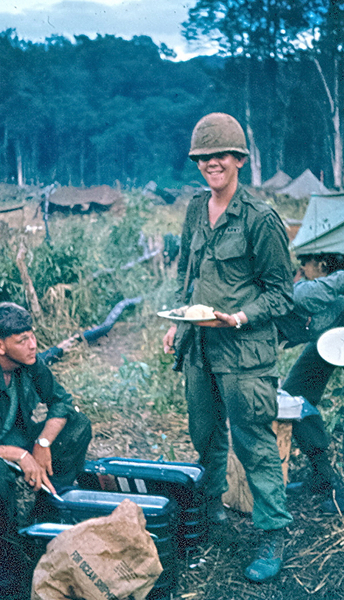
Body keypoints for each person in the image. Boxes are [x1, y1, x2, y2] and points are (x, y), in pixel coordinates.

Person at [162, 113, 294, 583]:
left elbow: (282, 293)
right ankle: (212, 513)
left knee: (253, 443)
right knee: (206, 437)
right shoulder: (197, 209)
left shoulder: (261, 220)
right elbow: (188, 272)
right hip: (200, 347)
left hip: (245, 354)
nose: (209, 165)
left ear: (239, 159)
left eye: (219, 156)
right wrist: (178, 320)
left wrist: (239, 316)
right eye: (202, 158)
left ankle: (272, 534)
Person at [0, 302, 92, 595]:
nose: (33, 345)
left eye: (32, 336)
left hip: (14, 441)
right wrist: (20, 455)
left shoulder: (30, 363)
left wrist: (42, 443)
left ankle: (45, 509)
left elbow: (62, 401)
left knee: (78, 426)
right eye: (22, 340)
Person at [280, 254, 344, 512]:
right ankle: (322, 475)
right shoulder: (319, 293)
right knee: (294, 397)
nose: (302, 272)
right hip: (329, 332)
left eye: (305, 268)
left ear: (321, 266)